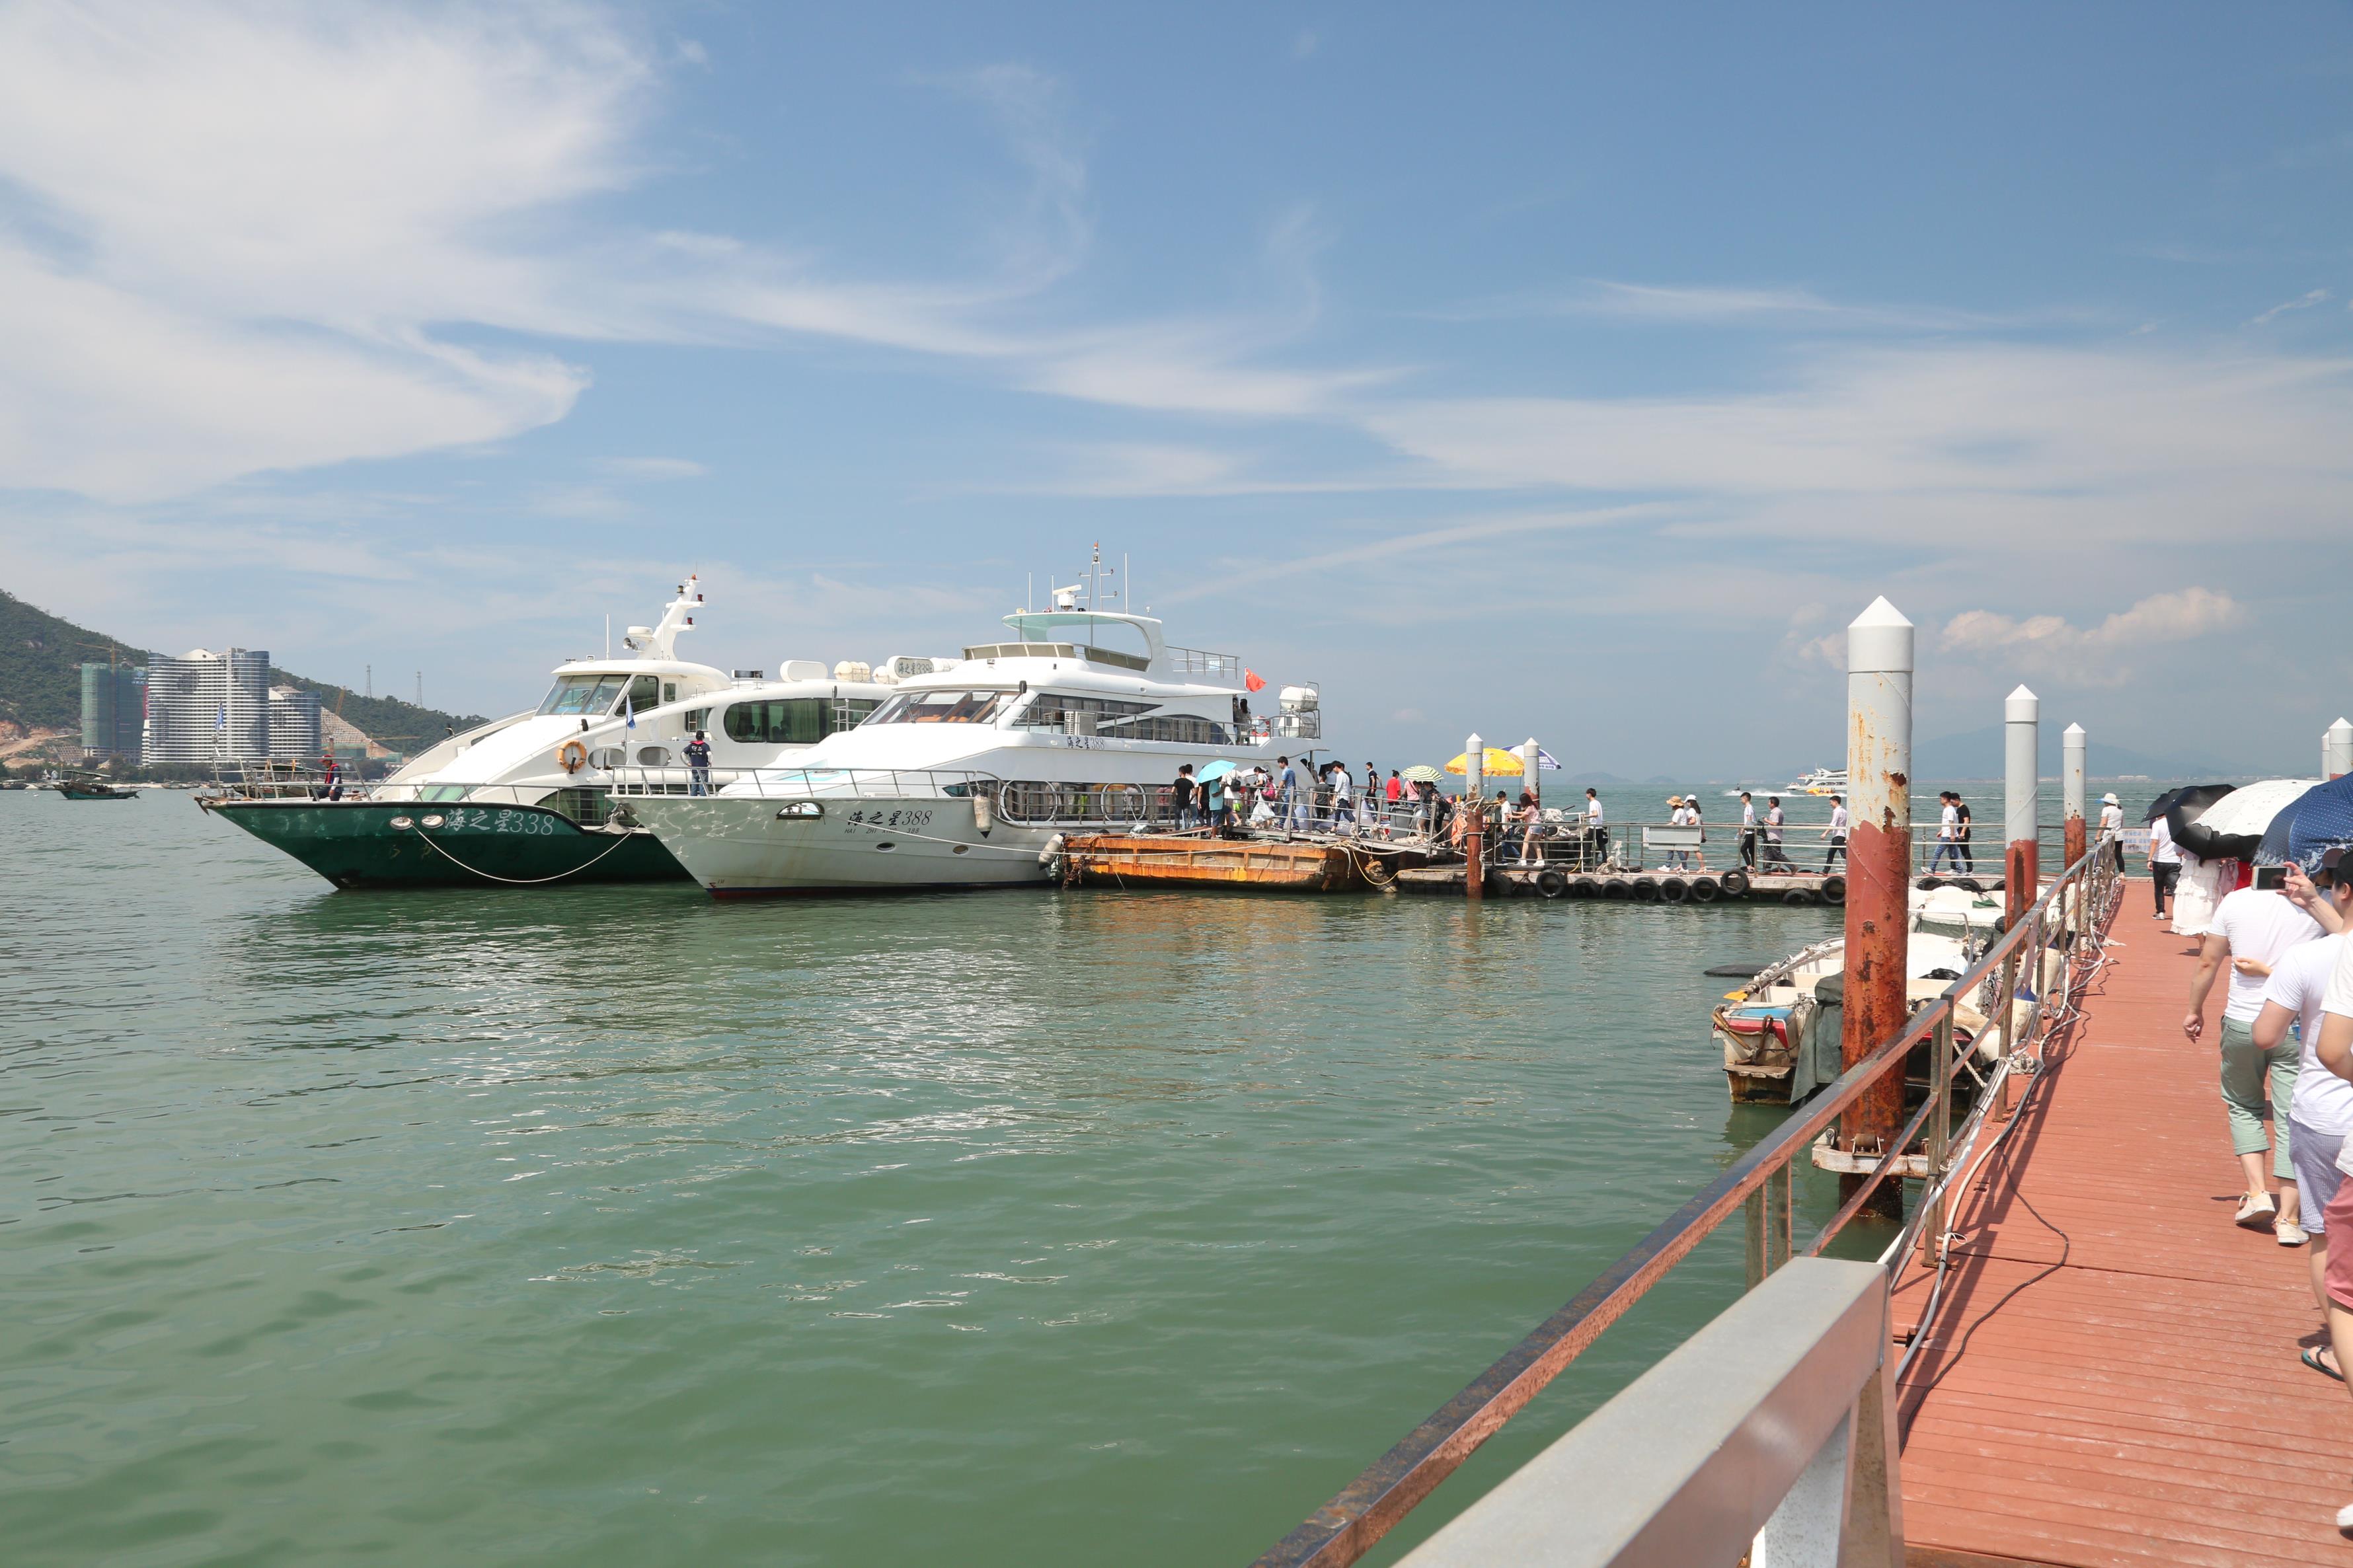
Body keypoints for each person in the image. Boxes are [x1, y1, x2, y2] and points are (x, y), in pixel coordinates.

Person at [2186, 875, 2325, 1234]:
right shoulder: (2321, 904)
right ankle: (2290, 1218)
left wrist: (2194, 1010)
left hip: (2243, 1021)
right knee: (2292, 1116)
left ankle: (2258, 1193)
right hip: (2296, 1026)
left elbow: (2208, 962)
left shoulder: (2235, 901)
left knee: (2243, 1105)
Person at [2257, 855, 2353, 1368]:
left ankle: (2341, 1350)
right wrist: (2315, 901)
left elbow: (2265, 1035)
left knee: (2325, 1237)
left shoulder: (2308, 957)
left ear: (2343, 890)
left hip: (2323, 1114)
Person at [2147, 807, 2181, 921]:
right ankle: (2178, 913)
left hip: (2159, 860)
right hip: (2175, 860)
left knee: (2159, 887)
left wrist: (2149, 859)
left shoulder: (2157, 824)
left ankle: (2161, 912)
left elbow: (2154, 842)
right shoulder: (2177, 822)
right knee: (2175, 888)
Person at [1931, 791, 1964, 874]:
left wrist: (1952, 834)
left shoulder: (1949, 809)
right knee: (1955, 854)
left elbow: (1951, 822)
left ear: (1945, 799)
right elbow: (1947, 823)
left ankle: (1932, 869)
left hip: (1948, 836)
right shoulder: (1949, 809)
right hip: (1948, 834)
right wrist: (1942, 831)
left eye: (1941, 799)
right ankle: (1960, 871)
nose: (1940, 800)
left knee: (1938, 852)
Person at [1763, 795, 1793, 870]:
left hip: (1775, 837)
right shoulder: (1777, 811)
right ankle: (1767, 870)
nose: (1768, 804)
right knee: (1769, 854)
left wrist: (1766, 820)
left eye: (1769, 802)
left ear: (1773, 804)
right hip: (1773, 836)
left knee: (1777, 854)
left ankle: (1793, 867)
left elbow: (1775, 823)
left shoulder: (1776, 812)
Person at [1515, 790, 1543, 866]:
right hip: (1539, 826)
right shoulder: (1532, 806)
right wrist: (1516, 812)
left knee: (1525, 842)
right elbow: (1525, 813)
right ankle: (1540, 860)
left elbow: (1523, 816)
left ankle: (1523, 860)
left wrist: (1512, 816)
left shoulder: (1530, 807)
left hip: (1534, 826)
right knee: (1535, 843)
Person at [2099, 792, 2126, 873]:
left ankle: (2105, 872)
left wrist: (2098, 835)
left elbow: (2103, 823)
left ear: (2107, 802)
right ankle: (2122, 873)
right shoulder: (2120, 810)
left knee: (2104, 855)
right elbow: (2121, 824)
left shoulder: (2106, 809)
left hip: (2108, 836)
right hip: (2119, 835)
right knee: (2118, 855)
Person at [1821, 795, 1848, 872]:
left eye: (1831, 802)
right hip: (1841, 835)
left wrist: (1825, 834)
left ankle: (1856, 866)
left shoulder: (1837, 811)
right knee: (1831, 854)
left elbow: (1833, 824)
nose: (1830, 804)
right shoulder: (1845, 811)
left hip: (1837, 836)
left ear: (1835, 802)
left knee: (1845, 855)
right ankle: (1825, 871)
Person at [683, 729, 713, 796]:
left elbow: (683, 754)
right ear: (703, 737)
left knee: (694, 785)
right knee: (703, 786)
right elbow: (710, 754)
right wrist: (710, 762)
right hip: (703, 769)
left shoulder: (691, 745)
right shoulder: (705, 746)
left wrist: (687, 763)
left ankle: (693, 799)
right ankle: (703, 800)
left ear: (696, 737)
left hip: (694, 769)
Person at [1171, 764, 1197, 831]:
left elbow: (1172, 791)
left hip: (1179, 802)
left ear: (1181, 772)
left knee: (1177, 817)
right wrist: (1190, 800)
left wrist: (1176, 796)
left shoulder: (1177, 781)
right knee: (1186, 817)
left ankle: (1177, 831)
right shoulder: (1189, 782)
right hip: (1186, 802)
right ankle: (1187, 831)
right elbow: (1194, 793)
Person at [1952, 792, 1974, 875]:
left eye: (1952, 802)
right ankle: (1955, 869)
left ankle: (1969, 870)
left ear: (1957, 800)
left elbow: (1966, 821)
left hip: (1963, 834)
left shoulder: (1964, 808)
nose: (1952, 804)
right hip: (1959, 832)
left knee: (1964, 851)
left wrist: (1963, 832)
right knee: (1954, 850)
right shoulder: (1959, 809)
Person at [1738, 791, 1757, 870]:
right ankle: (1754, 867)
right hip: (1753, 831)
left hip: (1750, 832)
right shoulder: (1751, 807)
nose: (1741, 801)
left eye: (1742, 799)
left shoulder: (1748, 808)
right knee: (1752, 851)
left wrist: (1743, 829)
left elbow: (1749, 820)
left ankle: (1749, 866)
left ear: (1745, 798)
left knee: (1743, 849)